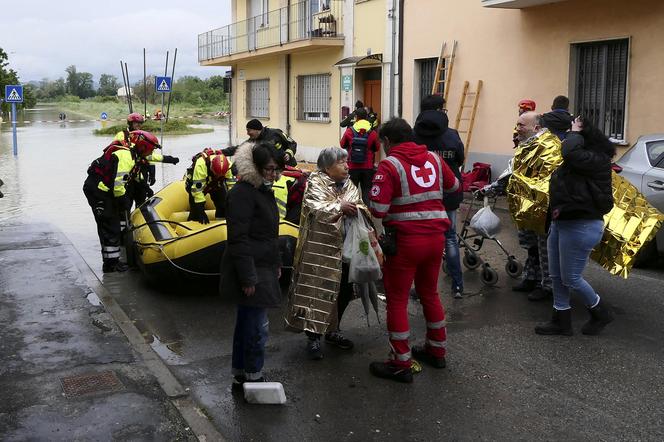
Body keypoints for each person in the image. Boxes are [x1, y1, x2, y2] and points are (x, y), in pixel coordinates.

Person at [368, 118, 459, 383]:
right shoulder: (433, 157)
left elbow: (378, 209)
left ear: (386, 141)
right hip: (436, 238)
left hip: (406, 241)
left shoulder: (390, 164)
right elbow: (454, 186)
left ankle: (401, 362)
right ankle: (437, 350)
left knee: (396, 299)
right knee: (430, 293)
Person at [285, 147, 369, 360]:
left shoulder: (349, 183)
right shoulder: (315, 182)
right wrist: (340, 207)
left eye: (347, 161)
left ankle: (334, 330)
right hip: (320, 250)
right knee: (316, 292)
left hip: (346, 250)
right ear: (327, 167)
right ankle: (313, 337)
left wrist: (355, 209)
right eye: (342, 162)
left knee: (343, 291)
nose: (347, 166)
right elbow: (316, 208)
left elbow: (359, 205)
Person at [535, 117, 615, 336]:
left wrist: (575, 131)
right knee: (556, 275)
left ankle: (600, 311)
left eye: (573, 132)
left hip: (582, 224)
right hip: (562, 223)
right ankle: (561, 320)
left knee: (570, 277)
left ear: (583, 137)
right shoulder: (578, 159)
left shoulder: (596, 159)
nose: (566, 136)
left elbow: (569, 151)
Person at [220, 142, 286, 389]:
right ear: (256, 167)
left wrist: (277, 262)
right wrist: (247, 277)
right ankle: (254, 375)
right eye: (269, 169)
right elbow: (238, 238)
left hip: (263, 263)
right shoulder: (242, 194)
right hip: (251, 267)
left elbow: (270, 232)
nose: (274, 174)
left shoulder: (261, 189)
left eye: (276, 169)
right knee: (258, 327)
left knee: (248, 322)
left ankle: (241, 372)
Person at [83, 130, 160, 273]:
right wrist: (124, 201)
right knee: (109, 225)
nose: (151, 151)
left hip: (103, 190)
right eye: (151, 149)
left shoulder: (132, 154)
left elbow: (132, 177)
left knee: (111, 224)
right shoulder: (126, 157)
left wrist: (145, 187)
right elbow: (118, 186)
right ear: (143, 147)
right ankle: (110, 265)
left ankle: (112, 261)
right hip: (98, 191)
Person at [414, 94, 465, 299]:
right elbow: (460, 159)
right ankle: (458, 286)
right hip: (448, 194)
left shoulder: (413, 135)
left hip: (422, 194)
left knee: (422, 241)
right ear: (439, 110)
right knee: (450, 238)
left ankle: (420, 289)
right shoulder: (452, 135)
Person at [506, 111, 558, 301]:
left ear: (536, 128)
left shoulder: (548, 146)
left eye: (521, 125)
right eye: (517, 124)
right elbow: (515, 171)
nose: (517, 128)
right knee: (531, 246)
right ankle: (531, 277)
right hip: (527, 206)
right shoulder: (527, 145)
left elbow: (546, 179)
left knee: (544, 249)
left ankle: (548, 287)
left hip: (543, 209)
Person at [114, 113, 179, 207]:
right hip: (127, 174)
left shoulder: (142, 136)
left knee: (141, 200)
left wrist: (154, 171)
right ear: (130, 123)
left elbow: (148, 155)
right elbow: (124, 153)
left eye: (140, 123)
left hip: (140, 172)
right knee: (126, 202)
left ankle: (139, 219)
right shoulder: (122, 135)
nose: (138, 125)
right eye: (136, 123)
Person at [340, 107, 380, 203]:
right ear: (366, 117)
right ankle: (366, 214)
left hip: (352, 167)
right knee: (366, 191)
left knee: (351, 192)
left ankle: (353, 214)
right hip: (368, 167)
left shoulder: (350, 131)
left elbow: (342, 144)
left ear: (356, 117)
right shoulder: (372, 133)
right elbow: (377, 148)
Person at [184, 148, 234, 224]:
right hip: (196, 183)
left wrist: (232, 200)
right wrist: (201, 211)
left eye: (220, 175)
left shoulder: (228, 165)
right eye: (216, 174)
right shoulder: (201, 165)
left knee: (223, 205)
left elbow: (231, 184)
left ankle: (221, 223)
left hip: (214, 184)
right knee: (196, 211)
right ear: (211, 167)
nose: (218, 176)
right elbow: (197, 191)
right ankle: (194, 222)